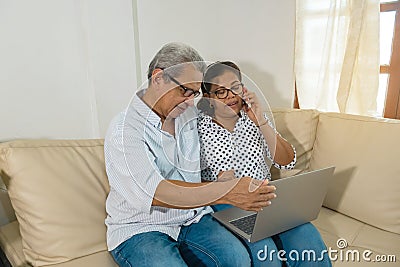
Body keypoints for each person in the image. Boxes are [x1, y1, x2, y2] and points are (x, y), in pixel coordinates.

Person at [104, 43, 277, 267]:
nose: (189, 101)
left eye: (194, 94)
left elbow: (224, 122)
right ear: (158, 78)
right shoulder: (123, 130)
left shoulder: (189, 115)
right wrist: (226, 192)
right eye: (185, 91)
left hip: (192, 218)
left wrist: (249, 110)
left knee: (238, 259)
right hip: (140, 227)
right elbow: (155, 192)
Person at [198, 61, 332, 267]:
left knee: (309, 241)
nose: (231, 96)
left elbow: (287, 161)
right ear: (209, 98)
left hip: (267, 196)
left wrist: (260, 120)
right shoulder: (200, 127)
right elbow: (222, 177)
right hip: (228, 201)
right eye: (220, 92)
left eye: (235, 87)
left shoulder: (252, 118)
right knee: (265, 254)